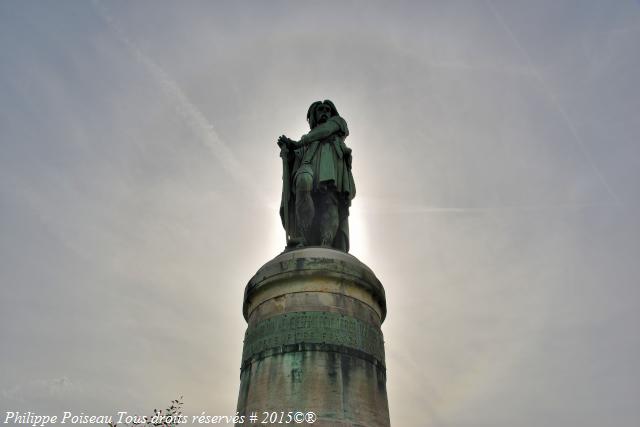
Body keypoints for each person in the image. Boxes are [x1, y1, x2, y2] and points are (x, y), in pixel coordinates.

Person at [277, 100, 355, 252]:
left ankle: (327, 244)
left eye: (327, 109)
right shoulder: (307, 140)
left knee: (329, 201)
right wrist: (289, 153)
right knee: (302, 182)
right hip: (308, 164)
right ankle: (304, 237)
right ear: (314, 115)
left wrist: (297, 143)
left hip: (330, 167)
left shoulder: (337, 123)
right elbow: (296, 159)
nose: (324, 112)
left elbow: (326, 130)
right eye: (320, 110)